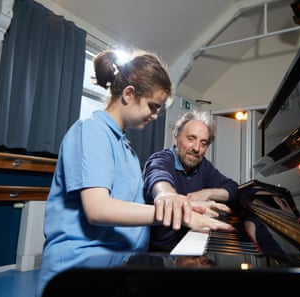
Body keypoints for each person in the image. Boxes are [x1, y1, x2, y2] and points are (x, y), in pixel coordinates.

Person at [36, 50, 234, 297]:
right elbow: (98, 209)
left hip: (120, 268)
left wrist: (186, 206)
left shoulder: (126, 148)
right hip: (81, 272)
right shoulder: (92, 131)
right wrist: (173, 215)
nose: (154, 116)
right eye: (153, 107)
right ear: (128, 94)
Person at [142, 110, 239, 252]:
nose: (196, 148)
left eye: (203, 143)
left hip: (191, 242)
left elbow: (233, 189)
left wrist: (207, 193)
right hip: (161, 254)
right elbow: (158, 176)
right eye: (191, 138)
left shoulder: (203, 165)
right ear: (176, 139)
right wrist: (167, 195)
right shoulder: (162, 159)